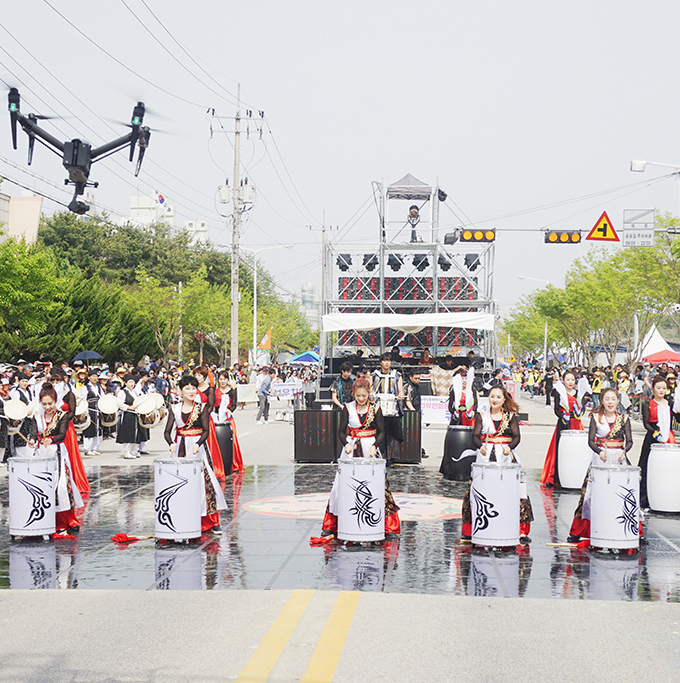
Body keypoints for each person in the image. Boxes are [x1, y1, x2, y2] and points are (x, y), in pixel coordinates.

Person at [319, 378, 400, 537]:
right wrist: (345, 444)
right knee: (340, 484)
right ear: (353, 394)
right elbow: (341, 430)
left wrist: (375, 445)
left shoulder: (375, 408)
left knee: (379, 484)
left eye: (364, 395)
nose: (361, 399)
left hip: (370, 447)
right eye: (358, 396)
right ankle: (332, 524)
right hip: (351, 448)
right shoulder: (348, 408)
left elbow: (382, 431)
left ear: (368, 393)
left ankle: (388, 526)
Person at [460, 385, 533, 543]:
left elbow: (516, 437)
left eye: (498, 397)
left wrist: (509, 447)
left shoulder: (510, 416)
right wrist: (481, 446)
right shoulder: (482, 415)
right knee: (478, 489)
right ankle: (471, 528)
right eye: (492, 396)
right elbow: (475, 436)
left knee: (515, 491)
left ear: (504, 399)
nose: (495, 400)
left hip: (505, 456)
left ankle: (520, 530)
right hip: (486, 456)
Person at [567, 388, 634, 543]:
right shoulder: (596, 418)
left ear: (618, 401)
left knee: (622, 493)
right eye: (607, 399)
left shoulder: (624, 419)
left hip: (619, 459)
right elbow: (590, 441)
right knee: (590, 495)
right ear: (602, 401)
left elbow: (629, 440)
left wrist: (624, 451)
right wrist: (598, 451)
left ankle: (626, 527)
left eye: (613, 399)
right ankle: (579, 531)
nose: (610, 402)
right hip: (600, 459)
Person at [163, 375, 228, 534]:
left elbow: (206, 431)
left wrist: (198, 444)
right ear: (181, 390)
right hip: (181, 447)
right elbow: (167, 431)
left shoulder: (201, 408)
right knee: (182, 483)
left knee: (205, 483)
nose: (191, 391)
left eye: (193, 388)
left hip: (197, 448)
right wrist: (171, 443)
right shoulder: (174, 409)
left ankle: (212, 522)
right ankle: (183, 517)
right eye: (187, 388)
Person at [28, 382, 83, 535]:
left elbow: (62, 435)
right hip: (42, 453)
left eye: (50, 403)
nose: (47, 407)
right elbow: (34, 432)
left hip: (57, 452)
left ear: (55, 401)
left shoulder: (62, 415)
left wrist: (51, 440)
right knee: (45, 486)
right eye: (44, 404)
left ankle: (68, 520)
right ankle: (46, 518)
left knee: (62, 486)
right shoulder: (37, 416)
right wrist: (32, 440)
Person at [540, 370, 590, 488]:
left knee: (577, 450)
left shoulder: (579, 393)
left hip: (576, 423)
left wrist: (580, 412)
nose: (570, 382)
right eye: (567, 379)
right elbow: (556, 409)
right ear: (563, 380)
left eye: (572, 379)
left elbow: (582, 409)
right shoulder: (559, 392)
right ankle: (555, 477)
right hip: (563, 423)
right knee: (559, 449)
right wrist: (563, 417)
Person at [639, 375, 678, 511]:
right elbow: (646, 423)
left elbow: (676, 418)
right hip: (653, 436)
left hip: (668, 436)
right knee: (646, 466)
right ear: (653, 389)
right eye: (658, 388)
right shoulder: (647, 404)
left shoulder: (670, 403)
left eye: (664, 388)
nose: (661, 390)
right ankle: (645, 499)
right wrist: (657, 433)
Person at [193, 366, 227, 480]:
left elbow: (211, 406)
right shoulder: (192, 388)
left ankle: (213, 469)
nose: (197, 377)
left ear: (205, 377)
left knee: (209, 445)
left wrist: (201, 417)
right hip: (192, 420)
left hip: (206, 419)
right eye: (196, 375)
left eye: (199, 375)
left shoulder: (210, 389)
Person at [372, 352, 404, 465]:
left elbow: (400, 390)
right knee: (379, 431)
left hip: (392, 407)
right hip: (378, 407)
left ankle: (391, 457)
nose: (387, 363)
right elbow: (371, 389)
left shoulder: (397, 375)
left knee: (391, 434)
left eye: (389, 360)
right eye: (385, 360)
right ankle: (380, 455)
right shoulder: (375, 375)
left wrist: (399, 395)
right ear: (381, 362)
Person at [214, 369, 244, 473]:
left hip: (228, 418)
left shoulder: (232, 391)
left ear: (228, 380)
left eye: (224, 379)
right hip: (217, 419)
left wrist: (227, 413)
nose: (222, 381)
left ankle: (234, 464)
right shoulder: (215, 391)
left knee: (232, 441)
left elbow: (234, 405)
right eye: (220, 379)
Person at [116, 374, 147, 459]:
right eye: (130, 382)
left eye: (133, 382)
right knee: (128, 433)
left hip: (135, 414)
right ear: (125, 383)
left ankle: (133, 450)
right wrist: (129, 407)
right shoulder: (123, 392)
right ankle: (127, 452)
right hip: (127, 414)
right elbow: (119, 403)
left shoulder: (133, 392)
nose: (132, 384)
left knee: (136, 432)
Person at [82, 368, 105, 456]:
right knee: (90, 430)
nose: (95, 378)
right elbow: (83, 400)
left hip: (98, 410)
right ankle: (88, 449)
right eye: (93, 377)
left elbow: (102, 398)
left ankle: (95, 448)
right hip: (90, 410)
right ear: (89, 378)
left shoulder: (99, 387)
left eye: (96, 377)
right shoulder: (85, 388)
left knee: (98, 430)